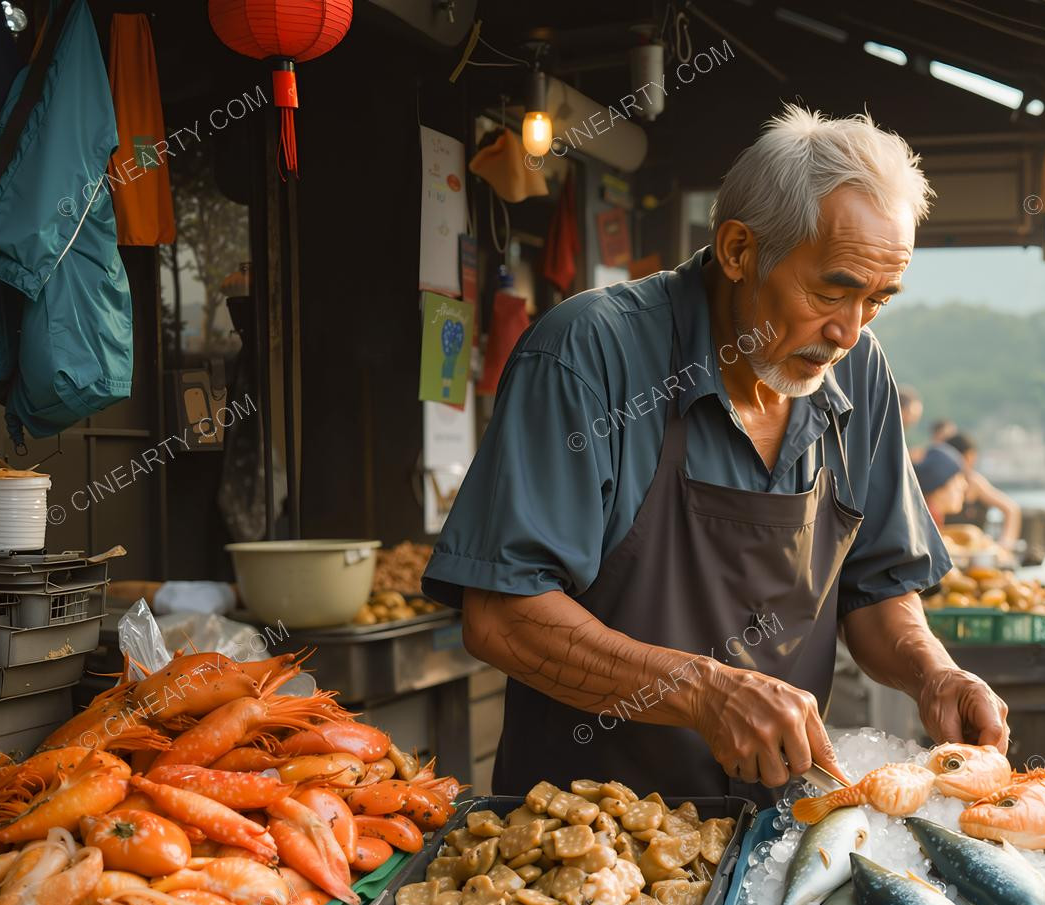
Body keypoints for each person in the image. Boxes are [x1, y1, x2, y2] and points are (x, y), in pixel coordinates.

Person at [425, 106, 1009, 799]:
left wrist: (933, 670)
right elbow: (503, 615)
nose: (849, 331)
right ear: (738, 251)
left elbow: (878, 588)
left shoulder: (858, 372)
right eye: (833, 291)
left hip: (778, 832)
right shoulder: (590, 355)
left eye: (878, 301)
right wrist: (705, 691)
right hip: (587, 838)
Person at [944, 432, 1022, 546]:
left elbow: (1011, 509)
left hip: (974, 548)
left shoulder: (975, 482)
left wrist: (1006, 545)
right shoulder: (943, 483)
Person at [915, 441, 970, 523]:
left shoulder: (923, 518)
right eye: (958, 479)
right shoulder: (925, 525)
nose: (965, 485)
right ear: (938, 488)